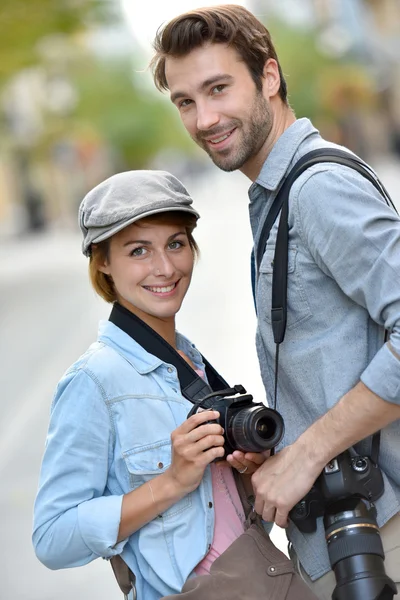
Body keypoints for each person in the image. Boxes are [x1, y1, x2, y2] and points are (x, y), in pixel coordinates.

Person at [150, 5, 400, 597]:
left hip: (384, 531)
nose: (204, 118)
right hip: (348, 535)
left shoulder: (319, 191)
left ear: (267, 77)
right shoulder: (276, 196)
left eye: (218, 88)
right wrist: (280, 450)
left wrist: (307, 453)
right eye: (185, 101)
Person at [32, 169, 266, 600]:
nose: (165, 267)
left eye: (175, 244)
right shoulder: (94, 381)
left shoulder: (191, 363)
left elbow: (219, 519)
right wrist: (173, 482)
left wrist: (248, 473)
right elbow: (51, 535)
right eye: (139, 250)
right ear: (102, 261)